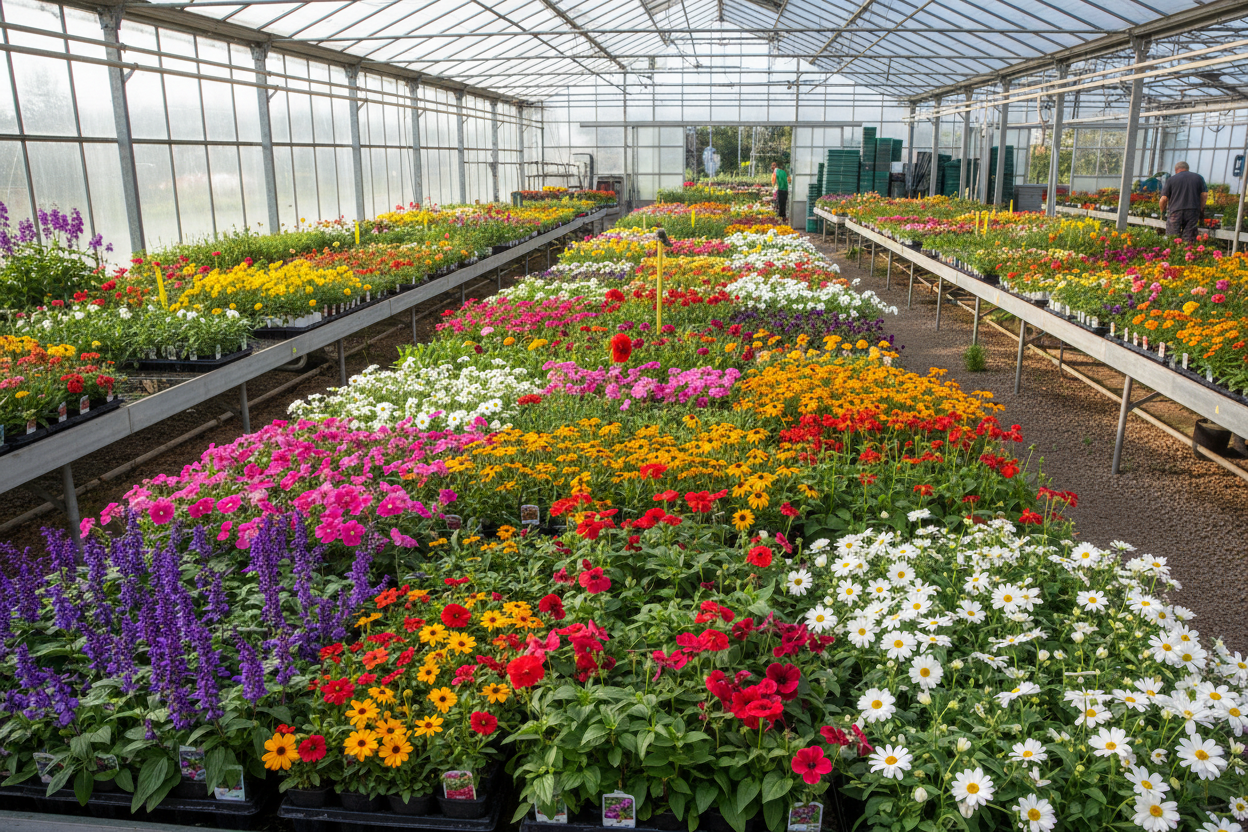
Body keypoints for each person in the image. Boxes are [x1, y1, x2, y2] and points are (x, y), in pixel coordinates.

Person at [1159, 161, 1207, 243]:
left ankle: (1171, 253)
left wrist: (1162, 211)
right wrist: (1201, 207)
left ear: (1176, 170)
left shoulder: (1171, 180)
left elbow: (1163, 199)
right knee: (1189, 238)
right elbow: (1204, 195)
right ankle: (1187, 253)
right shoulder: (1198, 178)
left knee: (1172, 237)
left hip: (1175, 212)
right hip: (1192, 211)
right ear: (1187, 169)